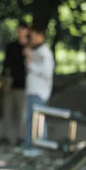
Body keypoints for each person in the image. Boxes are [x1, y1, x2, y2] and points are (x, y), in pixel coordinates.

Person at [0, 21, 29, 147]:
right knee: (7, 111)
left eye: (23, 30)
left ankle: (20, 137)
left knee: (21, 114)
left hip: (23, 84)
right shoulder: (11, 46)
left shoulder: (29, 47)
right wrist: (3, 81)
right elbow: (6, 65)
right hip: (10, 82)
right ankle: (5, 136)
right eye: (19, 30)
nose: (20, 32)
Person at [22, 26, 55, 157]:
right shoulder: (35, 51)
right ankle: (30, 142)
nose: (32, 39)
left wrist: (30, 63)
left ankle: (40, 144)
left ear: (40, 36)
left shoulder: (45, 53)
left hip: (39, 91)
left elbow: (46, 73)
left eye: (33, 36)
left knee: (38, 118)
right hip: (32, 90)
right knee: (31, 118)